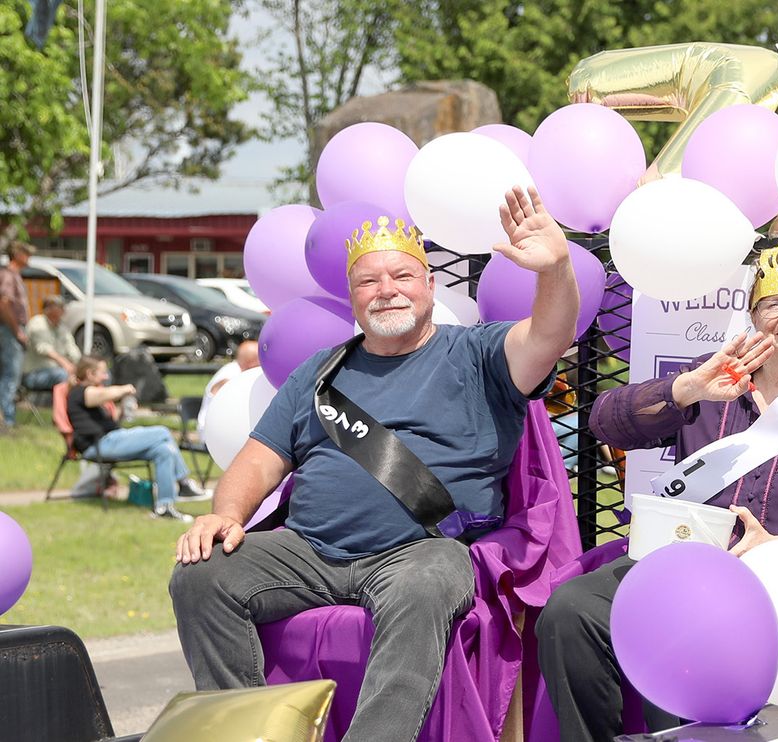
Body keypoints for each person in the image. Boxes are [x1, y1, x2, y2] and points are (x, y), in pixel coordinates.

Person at [168, 185, 579, 742]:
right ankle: (246, 730)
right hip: (310, 550)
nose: (386, 290)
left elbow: (550, 334)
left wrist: (555, 268)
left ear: (430, 286)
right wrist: (226, 515)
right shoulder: (320, 372)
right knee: (203, 574)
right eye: (368, 280)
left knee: (428, 581)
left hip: (420, 554)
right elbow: (257, 463)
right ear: (353, 296)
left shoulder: (479, 354)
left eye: (402, 276)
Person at [536, 243, 778, 741]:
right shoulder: (715, 373)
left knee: (689, 632)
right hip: (679, 557)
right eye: (772, 304)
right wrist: (686, 391)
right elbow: (605, 423)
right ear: (753, 316)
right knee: (572, 608)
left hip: (767, 575)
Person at [67, 356, 205, 521]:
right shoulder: (79, 392)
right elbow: (103, 394)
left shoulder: (93, 395)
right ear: (89, 374)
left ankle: (164, 506)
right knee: (162, 432)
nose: (106, 377)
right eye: (103, 373)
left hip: (110, 441)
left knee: (163, 450)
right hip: (98, 445)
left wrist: (123, 410)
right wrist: (126, 389)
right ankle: (183, 483)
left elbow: (108, 420)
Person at [197, 339, 260, 445]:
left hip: (230, 430)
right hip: (212, 434)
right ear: (251, 363)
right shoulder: (229, 376)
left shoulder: (241, 371)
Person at [0, 241, 33, 429]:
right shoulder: (8, 275)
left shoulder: (14, 275)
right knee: (10, 374)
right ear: (17, 254)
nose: (29, 257)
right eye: (26, 252)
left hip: (10, 329)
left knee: (9, 374)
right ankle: (8, 419)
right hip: (9, 330)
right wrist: (17, 330)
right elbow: (4, 303)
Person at [22, 295, 81, 391]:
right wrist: (65, 364)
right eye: (54, 306)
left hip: (59, 370)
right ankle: (65, 404)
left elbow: (72, 349)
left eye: (61, 307)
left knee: (91, 373)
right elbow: (43, 348)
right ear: (47, 309)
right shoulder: (37, 323)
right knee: (62, 375)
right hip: (34, 374)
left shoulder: (62, 327)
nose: (61, 310)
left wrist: (80, 365)